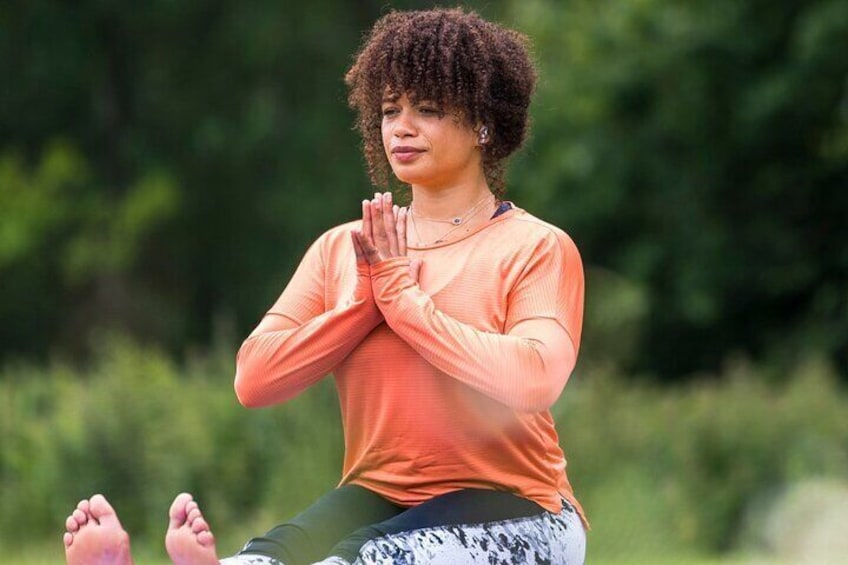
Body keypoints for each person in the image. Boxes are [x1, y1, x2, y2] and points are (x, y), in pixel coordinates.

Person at [62, 7, 587, 564]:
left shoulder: (535, 247)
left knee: (363, 558)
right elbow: (254, 378)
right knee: (266, 559)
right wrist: (363, 305)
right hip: (378, 497)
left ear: (483, 122)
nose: (401, 128)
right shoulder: (346, 249)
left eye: (427, 109)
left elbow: (534, 379)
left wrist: (402, 301)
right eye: (389, 111)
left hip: (523, 512)